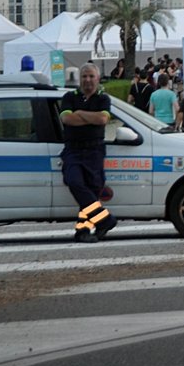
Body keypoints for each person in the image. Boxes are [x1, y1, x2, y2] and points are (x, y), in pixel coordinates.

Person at [59, 63, 114, 243]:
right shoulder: (69, 96)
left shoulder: (103, 99)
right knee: (74, 182)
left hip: (94, 150)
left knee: (90, 190)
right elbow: (66, 118)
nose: (88, 80)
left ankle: (82, 231)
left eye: (91, 76)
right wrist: (91, 118)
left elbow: (102, 119)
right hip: (73, 149)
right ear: (80, 79)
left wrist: (80, 113)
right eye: (84, 76)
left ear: (98, 79)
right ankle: (104, 219)